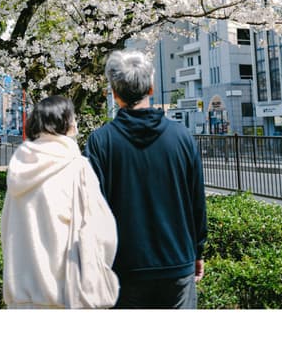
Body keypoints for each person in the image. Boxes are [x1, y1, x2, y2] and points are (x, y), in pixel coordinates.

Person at [84, 49, 207, 309]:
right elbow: (197, 201)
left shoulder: (100, 142)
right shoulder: (182, 137)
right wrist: (197, 251)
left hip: (123, 268)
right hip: (177, 264)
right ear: (151, 88)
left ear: (114, 93)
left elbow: (91, 210)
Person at [0, 95, 118, 309]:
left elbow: (6, 227)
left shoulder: (19, 168)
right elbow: (104, 233)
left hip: (22, 298)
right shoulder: (77, 167)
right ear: (67, 124)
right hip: (66, 294)